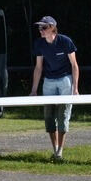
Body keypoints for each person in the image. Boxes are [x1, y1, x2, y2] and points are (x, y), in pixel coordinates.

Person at [30, 16, 79, 161]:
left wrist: (75, 88)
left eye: (44, 27)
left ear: (52, 28)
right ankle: (55, 149)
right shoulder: (39, 44)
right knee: (49, 115)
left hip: (65, 79)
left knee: (63, 114)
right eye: (40, 28)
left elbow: (74, 65)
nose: (41, 30)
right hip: (49, 81)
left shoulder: (65, 41)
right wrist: (34, 90)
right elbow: (38, 67)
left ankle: (60, 151)